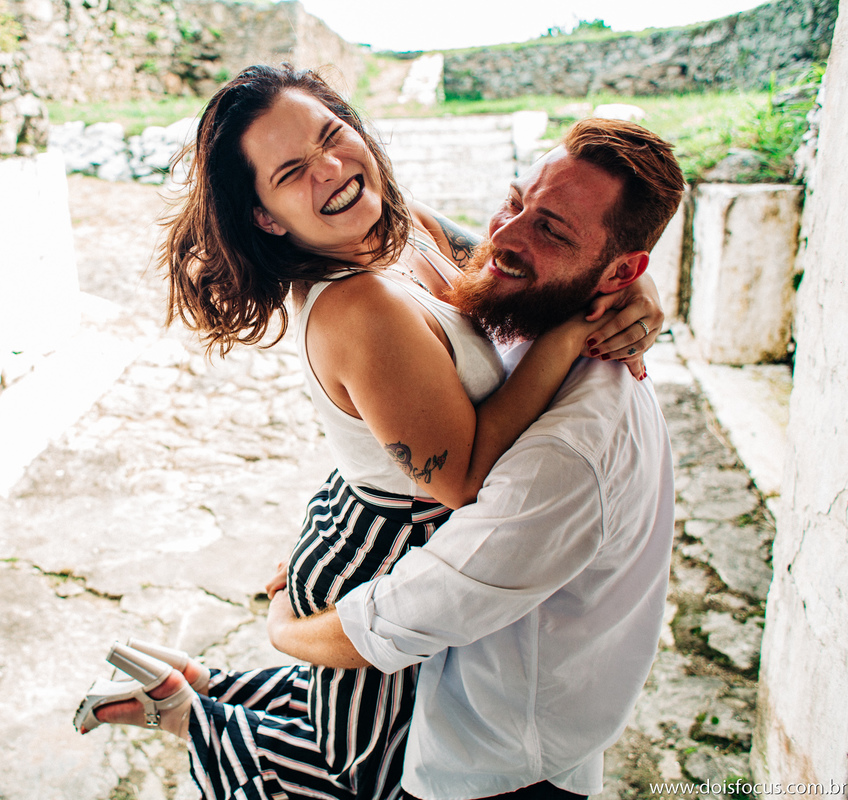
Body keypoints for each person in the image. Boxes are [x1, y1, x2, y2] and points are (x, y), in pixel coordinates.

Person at [73, 63, 674, 800]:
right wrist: (572, 334)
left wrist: (622, 285)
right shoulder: (360, 308)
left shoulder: (401, 225)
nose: (331, 168)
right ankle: (186, 714)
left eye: (332, 136)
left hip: (376, 525)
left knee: (360, 735)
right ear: (265, 215)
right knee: (354, 774)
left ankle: (197, 684)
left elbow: (505, 268)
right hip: (386, 544)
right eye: (292, 171)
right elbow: (462, 478)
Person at [265, 113, 686, 799]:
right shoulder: (536, 307)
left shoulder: (567, 453)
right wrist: (622, 294)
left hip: (494, 763)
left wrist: (281, 630)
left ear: (620, 268)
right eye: (516, 202)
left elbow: (395, 623)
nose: (502, 236)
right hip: (475, 711)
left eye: (550, 228)